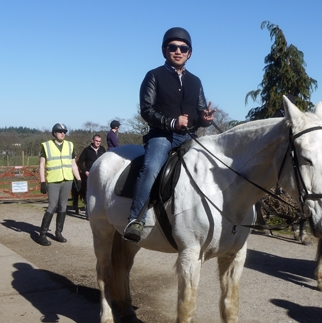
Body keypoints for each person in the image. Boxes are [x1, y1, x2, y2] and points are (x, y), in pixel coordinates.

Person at [123, 27, 216, 242]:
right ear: (165, 50)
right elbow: (146, 110)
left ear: (189, 53)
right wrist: (172, 122)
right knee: (152, 167)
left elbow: (201, 111)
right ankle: (136, 219)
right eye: (173, 47)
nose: (178, 51)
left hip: (189, 137)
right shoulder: (153, 76)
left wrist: (205, 119)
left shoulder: (196, 81)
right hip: (162, 135)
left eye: (183, 48)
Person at [37, 123, 82, 246]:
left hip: (67, 180)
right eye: (60, 131)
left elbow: (73, 164)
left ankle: (58, 233)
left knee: (63, 207)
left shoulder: (70, 145)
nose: (63, 133)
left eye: (65, 131)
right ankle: (42, 235)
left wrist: (78, 179)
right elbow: (41, 165)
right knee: (52, 206)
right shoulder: (46, 146)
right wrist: (42, 181)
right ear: (54, 133)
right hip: (53, 181)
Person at [75, 134, 106, 216]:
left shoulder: (103, 150)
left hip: (100, 175)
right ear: (93, 141)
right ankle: (88, 214)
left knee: (100, 193)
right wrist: (85, 171)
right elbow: (80, 162)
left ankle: (99, 212)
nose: (98, 143)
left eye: (99, 141)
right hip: (90, 175)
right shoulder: (87, 150)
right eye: (96, 141)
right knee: (89, 193)